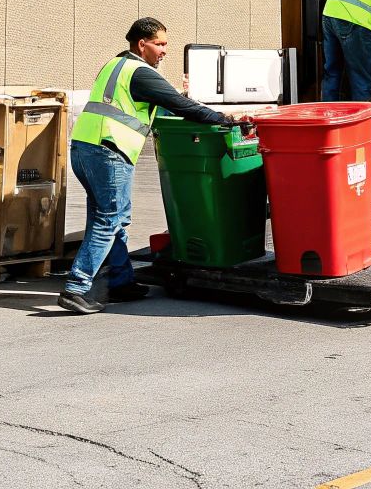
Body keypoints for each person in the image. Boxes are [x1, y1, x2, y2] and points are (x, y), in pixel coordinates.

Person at [60, 16, 240, 314]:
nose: (164, 50)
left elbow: (160, 103)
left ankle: (121, 282)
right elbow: (183, 107)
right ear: (141, 44)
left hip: (84, 148)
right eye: (159, 44)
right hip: (110, 150)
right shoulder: (140, 72)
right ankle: (76, 288)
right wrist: (223, 119)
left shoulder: (113, 65)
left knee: (109, 218)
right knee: (109, 219)